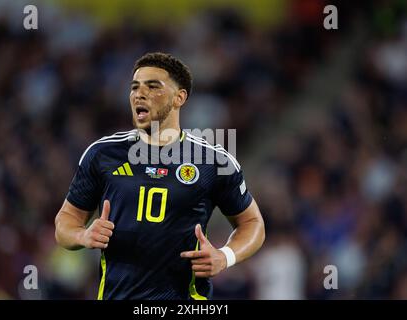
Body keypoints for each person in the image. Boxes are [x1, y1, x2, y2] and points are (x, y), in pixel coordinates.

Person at [54, 52, 265, 300]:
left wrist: (225, 256)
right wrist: (83, 235)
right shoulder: (102, 154)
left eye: (152, 86)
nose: (139, 94)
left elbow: (253, 224)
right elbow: (65, 221)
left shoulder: (213, 161)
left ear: (179, 97)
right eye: (134, 87)